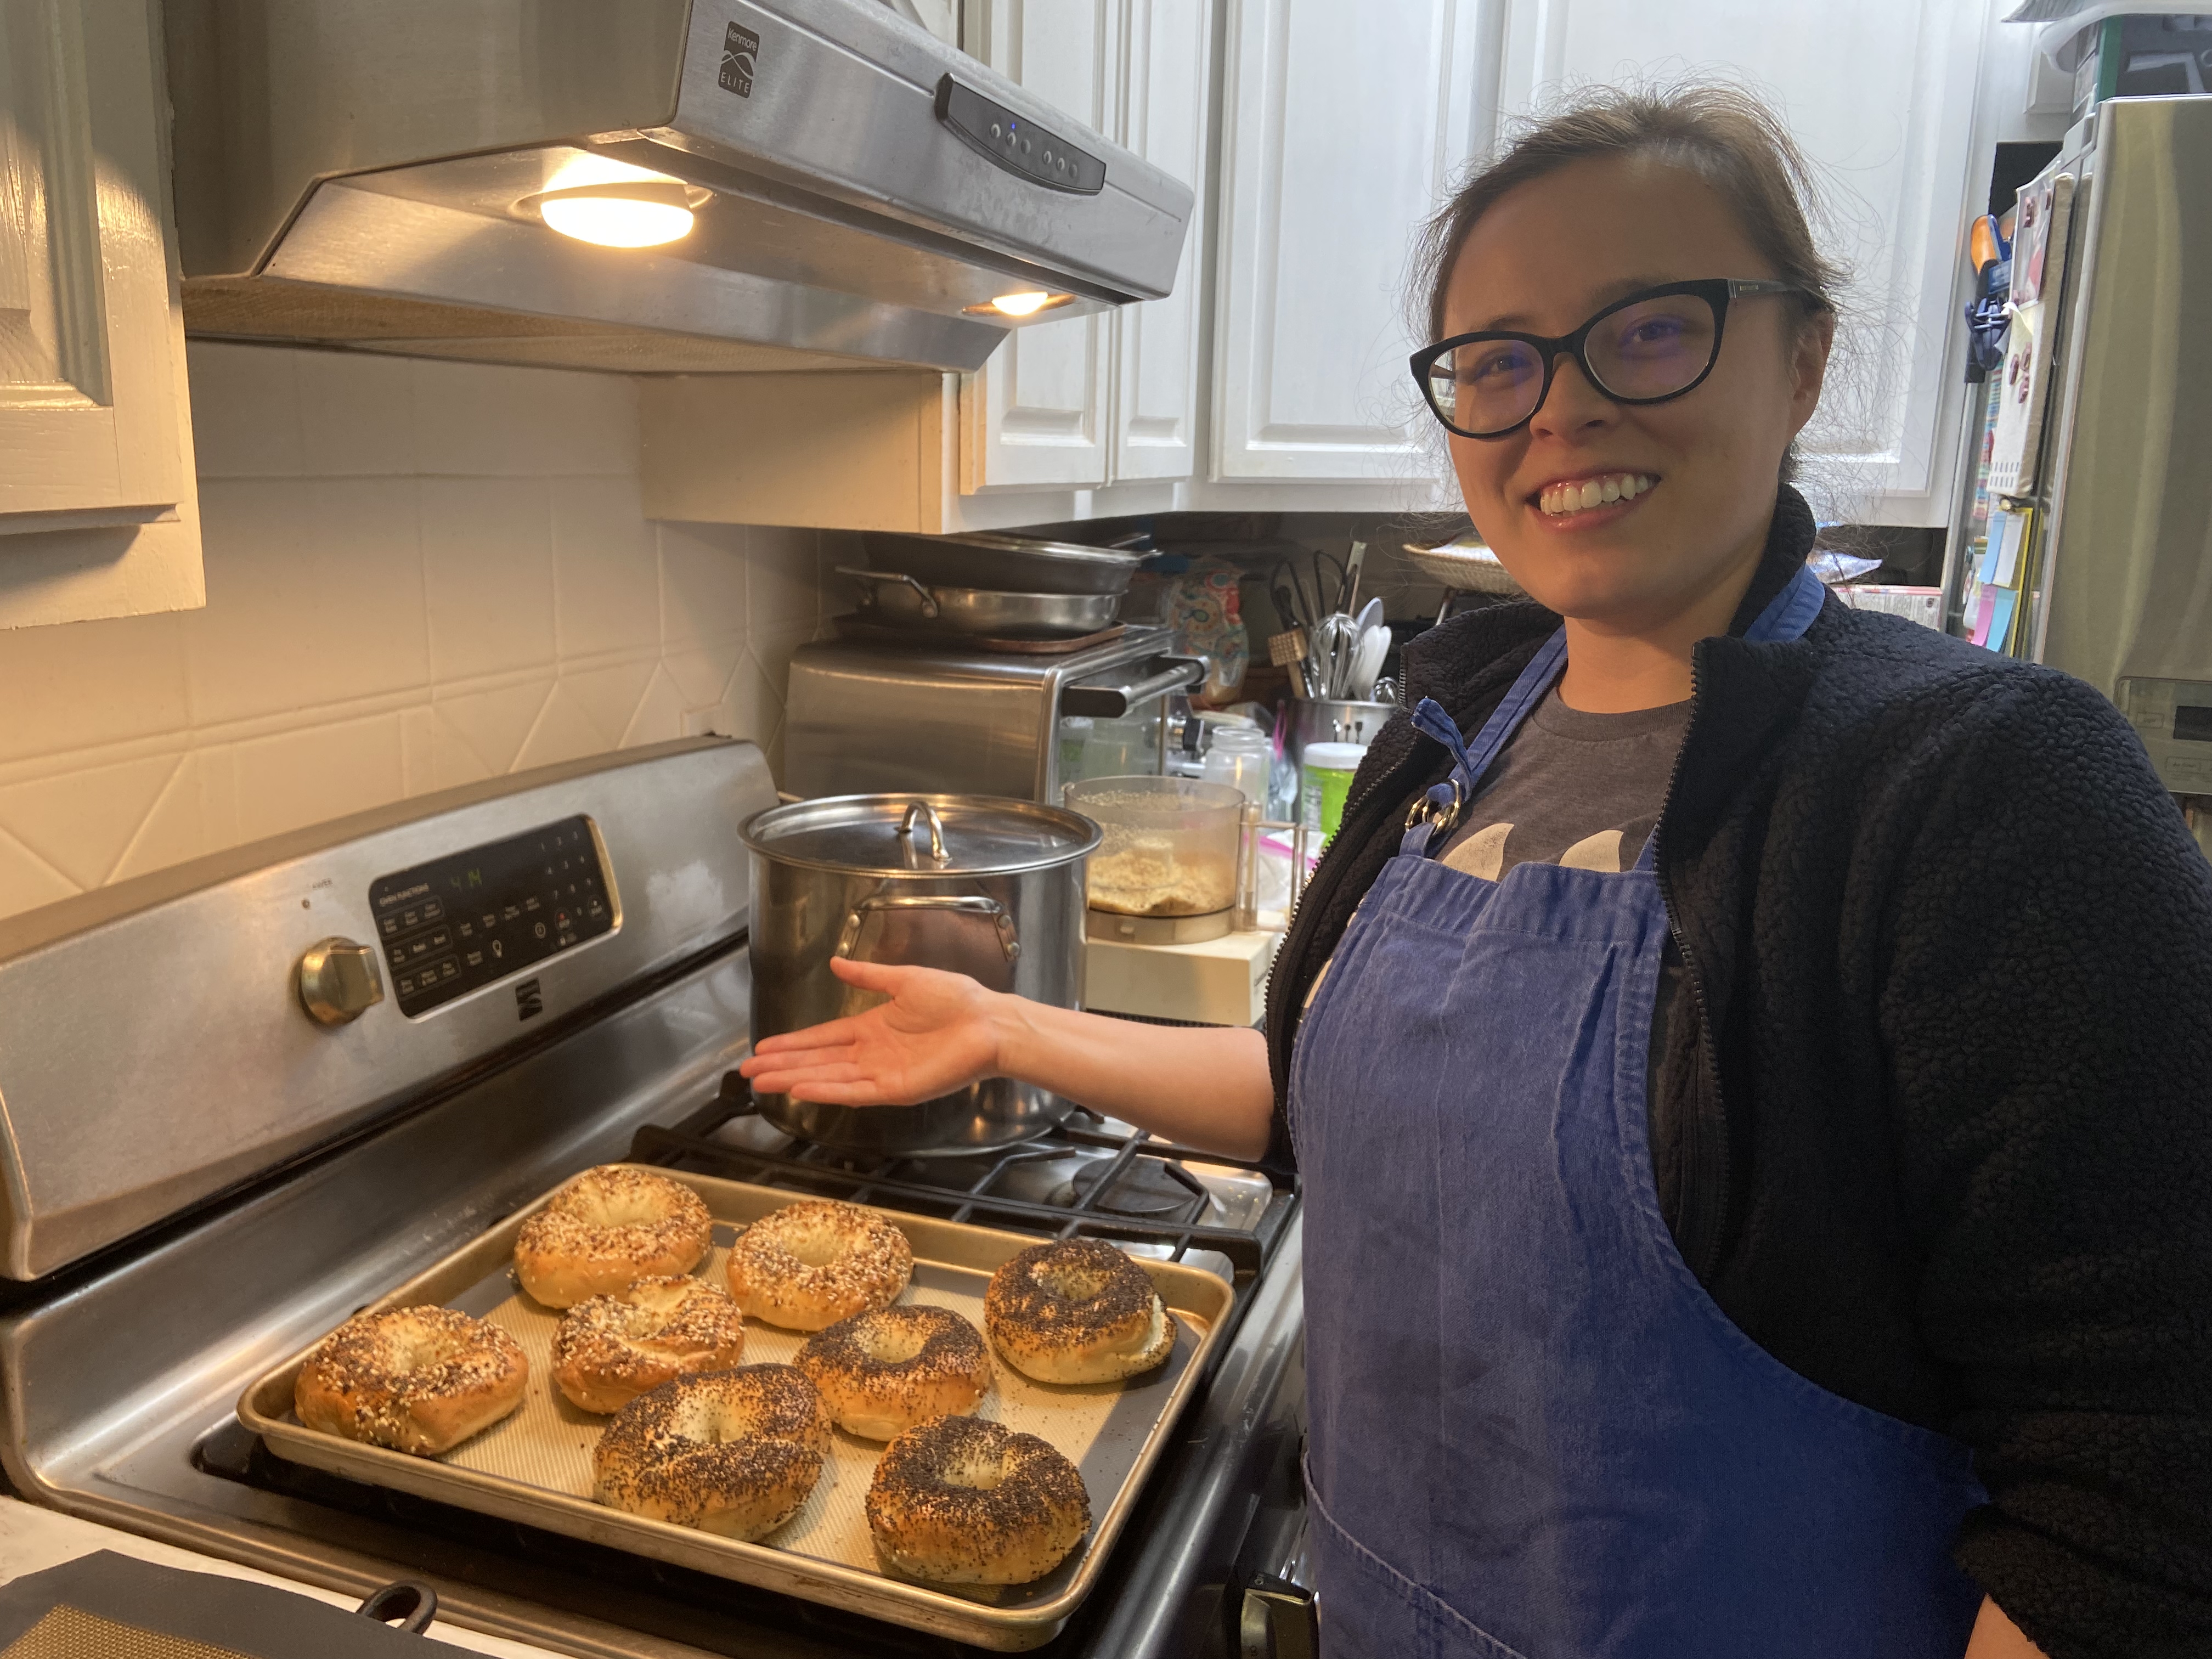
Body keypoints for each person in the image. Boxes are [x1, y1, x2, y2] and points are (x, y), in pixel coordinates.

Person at [742, 83, 2212, 1659]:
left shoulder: (1981, 785)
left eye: (1650, 329)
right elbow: (1330, 1098)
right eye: (1499, 363)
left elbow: (2144, 1493)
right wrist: (1014, 1031)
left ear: (1804, 359)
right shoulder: (1452, 731)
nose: (1559, 413)